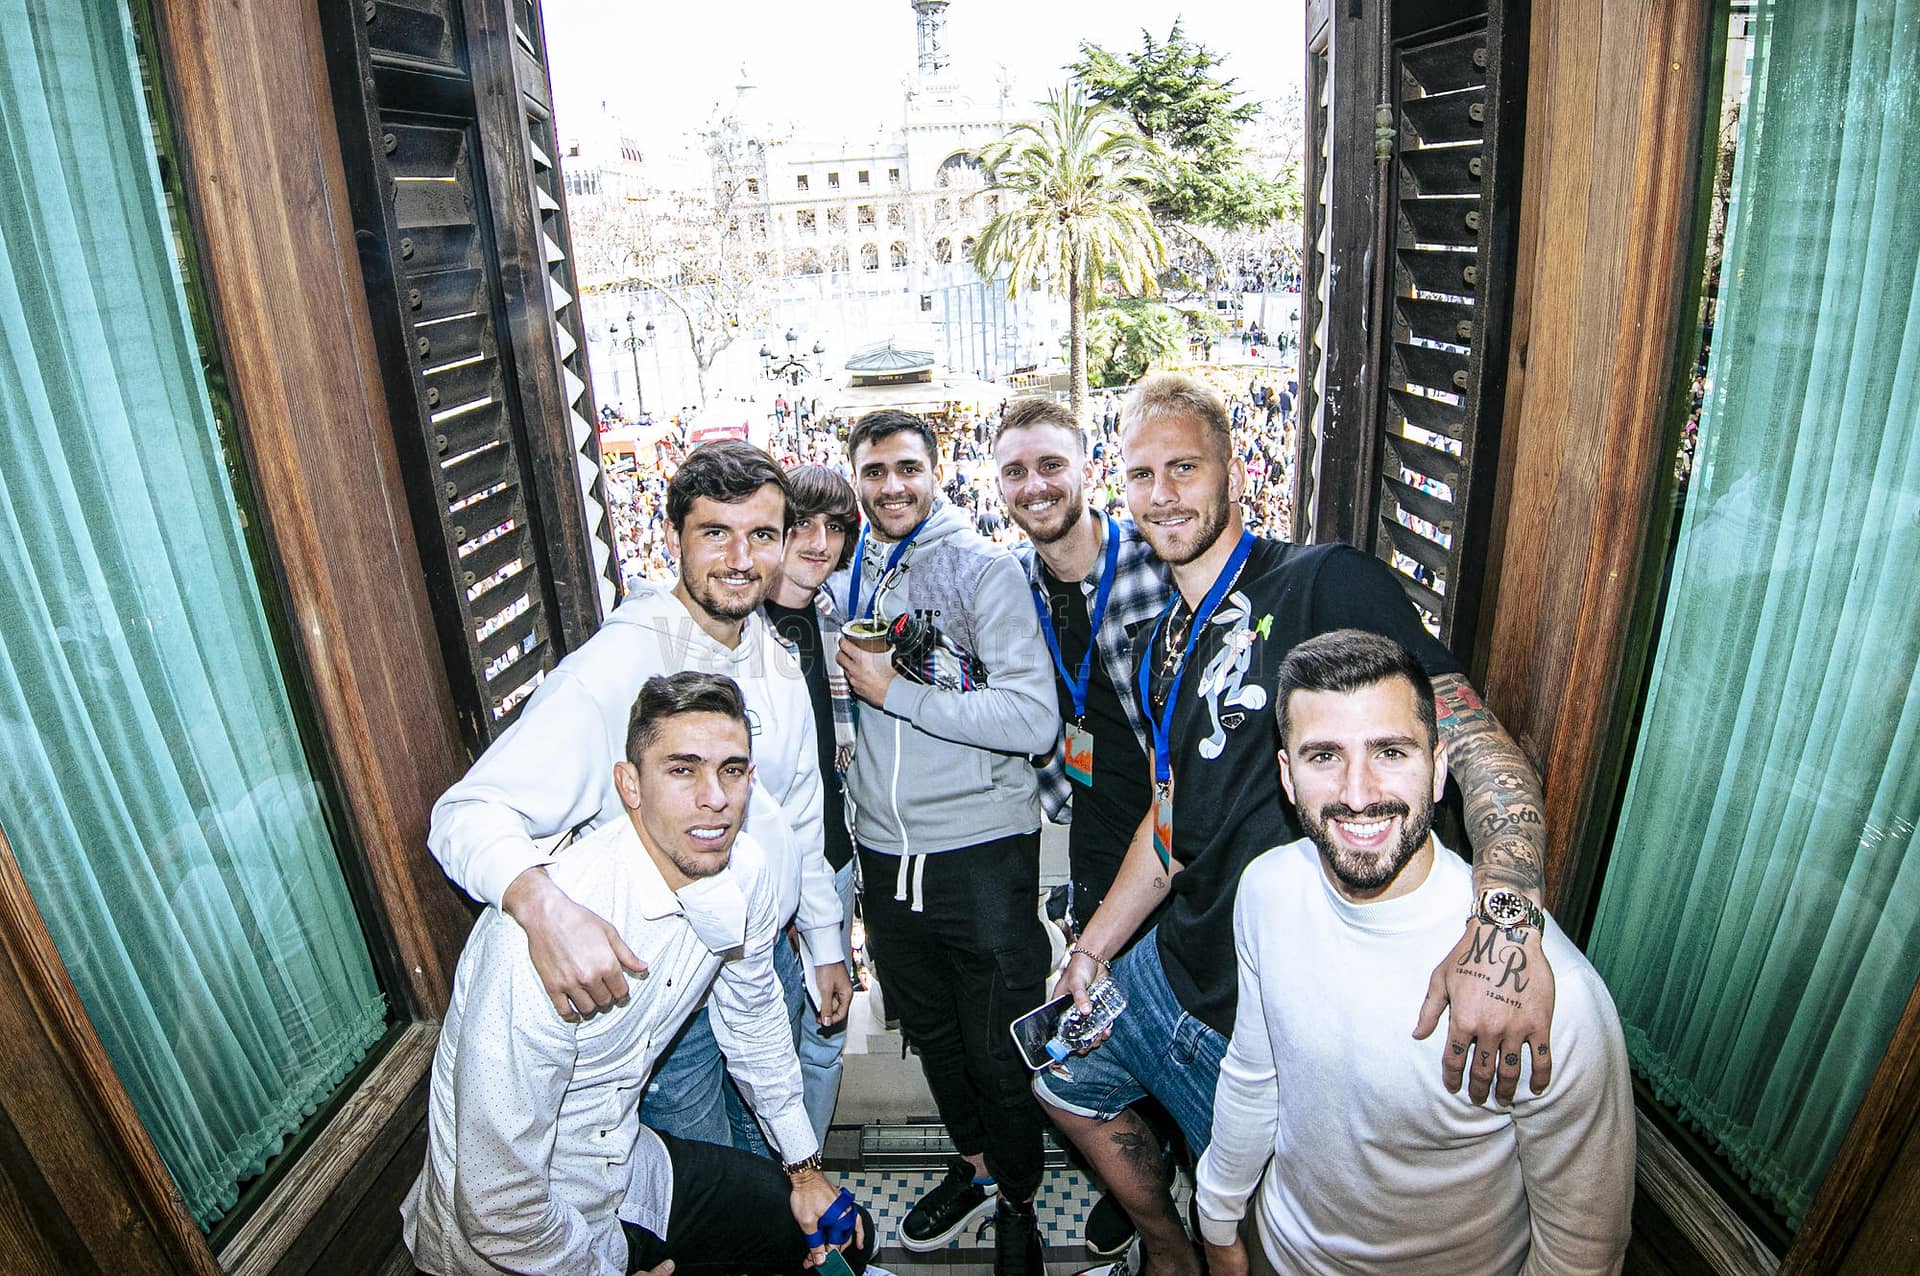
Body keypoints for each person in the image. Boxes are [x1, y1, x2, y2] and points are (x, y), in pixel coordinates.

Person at [1040, 374, 1557, 1276]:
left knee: (1265, 1231)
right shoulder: (1164, 642)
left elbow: (1475, 744)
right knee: (1059, 1079)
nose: (1162, 495)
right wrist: (1093, 948)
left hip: (1270, 1016)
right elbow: (1171, 819)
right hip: (1175, 966)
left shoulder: (1323, 580)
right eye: (1141, 475)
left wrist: (1506, 927)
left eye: (1184, 467)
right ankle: (1165, 1250)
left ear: (1235, 472)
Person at [427, 441, 850, 1152]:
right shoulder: (617, 666)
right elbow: (467, 814)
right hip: (667, 991)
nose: (740, 558)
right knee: (704, 1169)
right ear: (673, 539)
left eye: (761, 535)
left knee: (771, 1156)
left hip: (761, 959)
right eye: (715, 533)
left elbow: (799, 811)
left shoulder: (771, 651)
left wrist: (824, 942)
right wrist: (545, 910)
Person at [404, 673, 873, 1276]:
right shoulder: (540, 943)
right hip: (522, 1242)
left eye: (731, 770)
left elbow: (753, 1020)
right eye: (682, 770)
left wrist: (805, 1172)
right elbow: (496, 1204)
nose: (715, 797)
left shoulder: (746, 872)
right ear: (630, 784)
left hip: (627, 1169)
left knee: (840, 1238)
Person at [1195, 630, 1634, 1275]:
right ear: (1287, 776)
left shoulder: (1546, 996)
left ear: (1439, 768)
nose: (1358, 793)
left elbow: (1581, 1251)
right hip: (1278, 1251)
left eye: (1391, 752)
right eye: (1324, 756)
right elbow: (1254, 1076)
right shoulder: (1267, 890)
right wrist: (1216, 1219)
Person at [829, 410, 1059, 1276]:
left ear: (938, 471)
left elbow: (1033, 719)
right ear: (856, 478)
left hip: (982, 850)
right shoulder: (847, 573)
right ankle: (977, 1169)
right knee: (933, 1035)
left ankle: (1022, 1204)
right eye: (874, 471)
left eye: (907, 468)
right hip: (887, 856)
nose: (891, 486)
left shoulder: (982, 571)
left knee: (1000, 1049)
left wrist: (897, 694)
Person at [763, 464, 862, 1140]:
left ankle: (812, 1175)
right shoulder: (735, 630)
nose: (819, 542)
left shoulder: (832, 620)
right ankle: (775, 1186)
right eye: (801, 524)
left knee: (825, 1035)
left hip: (833, 859)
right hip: (766, 876)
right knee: (763, 1046)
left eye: (835, 527)